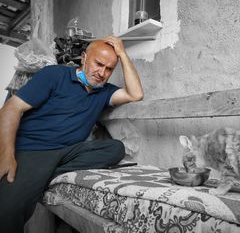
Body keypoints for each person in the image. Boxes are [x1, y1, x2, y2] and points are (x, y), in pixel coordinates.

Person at [0, 35, 144, 232]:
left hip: (67, 152)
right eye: (98, 63)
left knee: (115, 148)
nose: (101, 73)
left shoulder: (104, 91)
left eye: (109, 68)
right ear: (84, 58)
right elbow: (11, 108)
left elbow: (136, 94)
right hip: (33, 150)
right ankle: (42, 174)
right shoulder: (54, 75)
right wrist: (7, 155)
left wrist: (123, 54)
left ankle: (45, 174)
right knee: (9, 210)